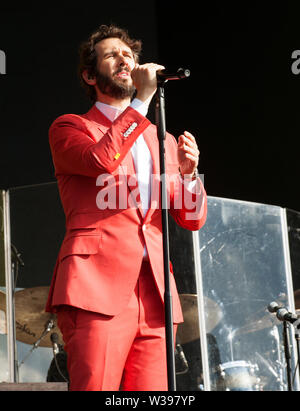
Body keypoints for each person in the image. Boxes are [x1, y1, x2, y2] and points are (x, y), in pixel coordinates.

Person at [45, 24, 207, 391]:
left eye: (129, 54)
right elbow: (101, 161)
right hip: (95, 287)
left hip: (155, 293)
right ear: (90, 75)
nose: (124, 58)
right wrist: (141, 104)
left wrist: (190, 175)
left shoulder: (161, 138)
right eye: (111, 55)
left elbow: (191, 219)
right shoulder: (72, 127)